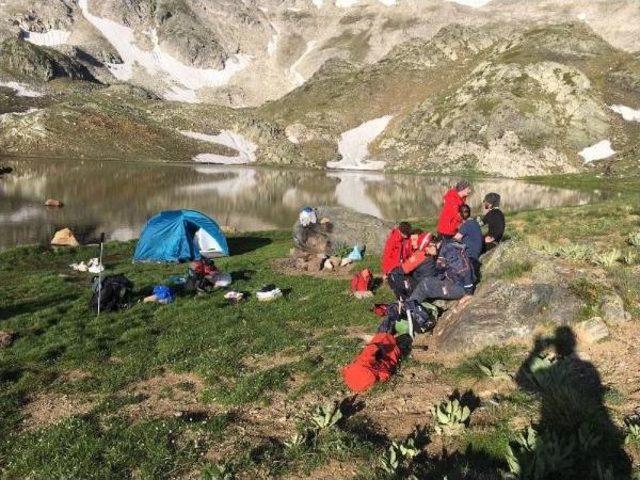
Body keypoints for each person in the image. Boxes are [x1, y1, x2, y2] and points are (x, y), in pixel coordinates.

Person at [408, 238, 476, 304]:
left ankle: (410, 307)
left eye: (426, 250)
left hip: (461, 286)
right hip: (453, 280)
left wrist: (468, 293)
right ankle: (410, 305)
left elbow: (465, 270)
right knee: (426, 281)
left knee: (425, 285)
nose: (427, 253)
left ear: (431, 244)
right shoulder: (443, 248)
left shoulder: (449, 251)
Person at [381, 222, 413, 299]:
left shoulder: (407, 239)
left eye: (407, 234)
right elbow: (386, 256)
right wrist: (386, 271)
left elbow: (409, 252)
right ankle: (403, 298)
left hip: (404, 266)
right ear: (400, 231)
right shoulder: (393, 240)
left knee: (409, 282)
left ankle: (409, 295)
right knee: (397, 284)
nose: (407, 236)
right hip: (394, 267)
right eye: (405, 234)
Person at [455, 204, 483, 278]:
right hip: (477, 251)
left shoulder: (466, 225)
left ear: (460, 214)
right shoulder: (474, 222)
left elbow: (456, 238)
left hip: (470, 254)